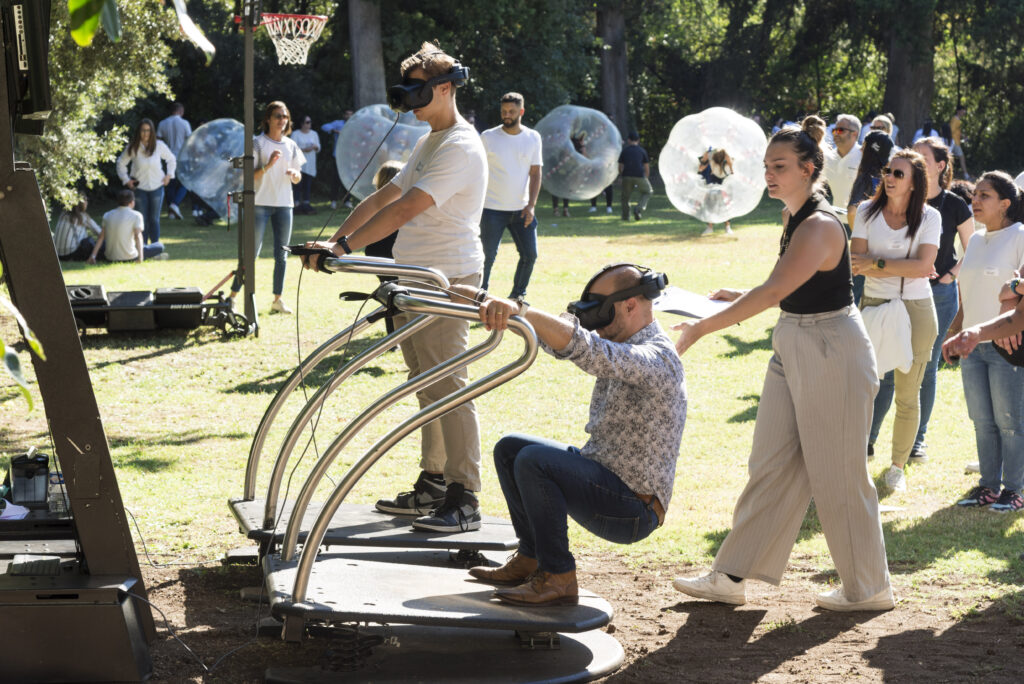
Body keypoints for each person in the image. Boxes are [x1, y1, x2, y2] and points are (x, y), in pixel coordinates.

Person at [671, 116, 893, 612]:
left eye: (781, 166)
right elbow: (783, 283)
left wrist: (702, 327)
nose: (770, 174)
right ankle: (730, 576)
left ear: (810, 168)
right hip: (794, 340)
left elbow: (774, 291)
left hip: (831, 347)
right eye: (767, 166)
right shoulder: (794, 216)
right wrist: (736, 294)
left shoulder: (818, 223)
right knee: (770, 463)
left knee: (839, 474)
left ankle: (870, 589)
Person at [301, 42, 487, 533]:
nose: (412, 101)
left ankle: (465, 496)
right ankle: (434, 483)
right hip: (416, 279)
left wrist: (344, 251)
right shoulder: (430, 140)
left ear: (447, 88)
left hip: (448, 280)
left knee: (449, 385)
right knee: (425, 384)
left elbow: (407, 210)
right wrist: (334, 240)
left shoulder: (462, 145)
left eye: (420, 91)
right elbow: (387, 194)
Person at [460, 264, 686, 606]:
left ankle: (559, 576)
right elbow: (568, 340)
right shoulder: (623, 340)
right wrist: (487, 302)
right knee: (510, 449)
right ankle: (532, 558)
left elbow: (593, 353)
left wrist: (519, 309)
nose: (596, 321)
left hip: (633, 508)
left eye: (602, 309)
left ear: (629, 305)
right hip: (606, 480)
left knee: (535, 462)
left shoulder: (658, 358)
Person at [865, 138, 974, 464]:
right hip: (883, 295)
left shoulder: (953, 205)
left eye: (923, 159)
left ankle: (916, 443)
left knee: (922, 371)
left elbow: (972, 248)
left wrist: (950, 275)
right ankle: (868, 440)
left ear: (939, 166)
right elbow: (859, 257)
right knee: (881, 372)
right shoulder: (882, 207)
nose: (914, 164)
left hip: (935, 295)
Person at [850, 150, 940, 492]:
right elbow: (856, 262)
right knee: (864, 388)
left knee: (908, 391)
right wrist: (881, 263)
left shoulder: (930, 217)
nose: (889, 177)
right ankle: (856, 458)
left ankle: (897, 468)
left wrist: (877, 261)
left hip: (917, 307)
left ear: (915, 181)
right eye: (888, 171)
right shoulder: (866, 212)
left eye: (898, 173)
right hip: (874, 302)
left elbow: (922, 268)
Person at [945, 172, 1024, 512]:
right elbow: (968, 290)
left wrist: (1012, 316)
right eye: (975, 194)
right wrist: (955, 330)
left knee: (1011, 421)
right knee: (982, 419)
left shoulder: (1020, 235)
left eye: (985, 195)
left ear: (1006, 204)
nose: (975, 200)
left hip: (1007, 344)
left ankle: (1015, 489)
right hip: (972, 344)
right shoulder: (974, 240)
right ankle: (988, 486)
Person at [228, 101, 305, 314]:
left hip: (284, 205)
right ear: (268, 119)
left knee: (282, 255)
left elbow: (298, 176)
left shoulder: (291, 145)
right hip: (260, 204)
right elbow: (248, 178)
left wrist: (295, 175)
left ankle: (277, 300)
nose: (282, 120)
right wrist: (268, 166)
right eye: (278, 116)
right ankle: (233, 297)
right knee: (251, 254)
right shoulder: (258, 143)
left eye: (285, 116)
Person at [479, 92, 542, 300]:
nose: (507, 115)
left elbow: (535, 173)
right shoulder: (488, 137)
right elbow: (476, 171)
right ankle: (478, 297)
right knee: (486, 257)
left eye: (512, 111)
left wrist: (531, 205)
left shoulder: (533, 138)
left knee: (530, 255)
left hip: (521, 209)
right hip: (491, 209)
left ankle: (517, 296)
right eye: (504, 111)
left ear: (521, 112)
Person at [847, 131, 895, 304]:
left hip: (865, 252)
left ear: (870, 150)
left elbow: (853, 211)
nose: (860, 150)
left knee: (854, 300)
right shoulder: (888, 177)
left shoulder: (865, 176)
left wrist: (859, 236)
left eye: (864, 146)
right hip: (886, 249)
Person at [116, 118, 175, 245]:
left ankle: (155, 246)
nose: (146, 133)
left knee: (154, 219)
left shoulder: (159, 145)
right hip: (139, 189)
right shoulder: (133, 147)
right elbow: (120, 163)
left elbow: (171, 159)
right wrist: (126, 180)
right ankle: (142, 247)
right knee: (141, 219)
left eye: (148, 130)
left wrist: (169, 175)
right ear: (139, 132)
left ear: (152, 132)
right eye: (143, 130)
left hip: (157, 187)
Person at [364, 160, 404, 335]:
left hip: (375, 253)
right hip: (390, 253)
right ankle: (395, 334)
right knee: (395, 294)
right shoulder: (400, 205)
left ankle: (393, 333)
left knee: (389, 292)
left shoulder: (373, 203)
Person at [87, 189, 168, 263]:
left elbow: (101, 237)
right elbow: (138, 236)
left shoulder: (107, 215)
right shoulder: (136, 215)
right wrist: (140, 258)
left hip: (110, 257)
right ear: (132, 202)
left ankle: (150, 256)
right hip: (130, 256)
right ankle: (149, 257)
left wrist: (93, 256)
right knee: (159, 246)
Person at [822, 114, 862, 227]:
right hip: (835, 221)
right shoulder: (827, 157)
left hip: (861, 223)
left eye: (840, 130)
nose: (835, 133)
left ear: (854, 134)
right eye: (834, 130)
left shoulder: (865, 157)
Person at [156, 103, 192, 220]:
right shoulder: (185, 123)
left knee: (170, 184)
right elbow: (190, 139)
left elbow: (158, 140)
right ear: (180, 111)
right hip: (183, 156)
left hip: (168, 156)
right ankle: (175, 204)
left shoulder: (163, 123)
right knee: (185, 183)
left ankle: (171, 212)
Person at [321, 109, 355, 209]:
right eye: (347, 114)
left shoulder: (355, 125)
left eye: (351, 114)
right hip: (338, 156)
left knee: (349, 179)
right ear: (344, 115)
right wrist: (334, 131)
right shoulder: (338, 123)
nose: (349, 116)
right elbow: (324, 127)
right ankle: (333, 201)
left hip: (349, 156)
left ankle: (347, 200)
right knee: (335, 179)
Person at [53, 196, 102, 261]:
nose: (87, 203)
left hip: (57, 254)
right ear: (81, 203)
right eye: (86, 200)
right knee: (90, 241)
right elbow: (100, 233)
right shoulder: (83, 216)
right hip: (71, 254)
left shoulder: (63, 214)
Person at [698, 148, 734, 235]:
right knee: (711, 204)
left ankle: (727, 227)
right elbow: (701, 168)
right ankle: (710, 227)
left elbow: (730, 165)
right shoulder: (711, 158)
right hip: (713, 182)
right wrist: (704, 159)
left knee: (724, 204)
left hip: (723, 183)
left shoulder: (726, 160)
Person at [290, 115, 321, 215]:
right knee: (297, 185)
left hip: (310, 164)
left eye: (310, 122)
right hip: (298, 164)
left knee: (307, 185)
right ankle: (296, 204)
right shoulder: (295, 134)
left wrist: (315, 147)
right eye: (307, 122)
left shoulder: (314, 134)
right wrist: (304, 150)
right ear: (302, 124)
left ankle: (306, 204)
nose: (309, 124)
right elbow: (292, 148)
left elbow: (319, 148)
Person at [619, 131, 652, 222]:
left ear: (629, 140)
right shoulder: (642, 151)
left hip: (627, 176)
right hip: (639, 176)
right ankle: (639, 208)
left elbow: (620, 166)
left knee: (625, 198)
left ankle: (626, 217)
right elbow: (646, 167)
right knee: (648, 191)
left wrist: (622, 176)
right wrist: (646, 178)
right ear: (638, 140)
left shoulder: (625, 151)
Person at [949, 105, 970, 179]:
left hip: (955, 142)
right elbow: (951, 131)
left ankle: (950, 174)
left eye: (964, 110)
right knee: (961, 157)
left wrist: (963, 136)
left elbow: (956, 131)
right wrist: (951, 142)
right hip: (954, 142)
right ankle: (966, 175)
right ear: (958, 111)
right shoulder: (955, 120)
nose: (964, 112)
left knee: (951, 158)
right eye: (962, 110)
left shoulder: (957, 120)